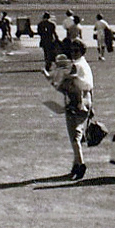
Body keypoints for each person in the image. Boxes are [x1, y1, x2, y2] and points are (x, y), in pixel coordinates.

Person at [46, 39, 93, 179]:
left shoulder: (74, 67)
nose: (73, 53)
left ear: (81, 51)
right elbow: (90, 87)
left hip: (74, 102)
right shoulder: (85, 65)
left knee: (74, 136)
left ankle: (81, 164)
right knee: (77, 134)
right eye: (71, 50)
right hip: (86, 101)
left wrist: (49, 78)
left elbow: (62, 86)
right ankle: (75, 165)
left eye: (75, 51)